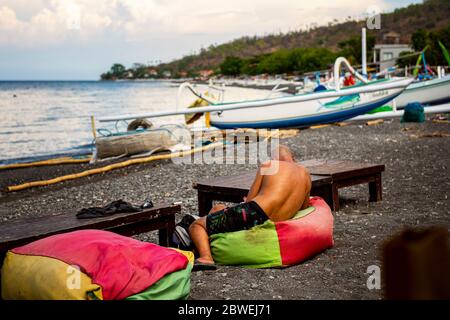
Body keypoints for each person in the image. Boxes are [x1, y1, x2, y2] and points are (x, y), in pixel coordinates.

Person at [189, 145, 311, 270]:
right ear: (293, 158)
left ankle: (206, 257)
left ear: (274, 158)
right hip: (276, 221)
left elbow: (250, 200)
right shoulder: (305, 173)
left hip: (256, 213)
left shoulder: (269, 165)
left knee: (197, 226)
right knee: (218, 208)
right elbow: (304, 207)